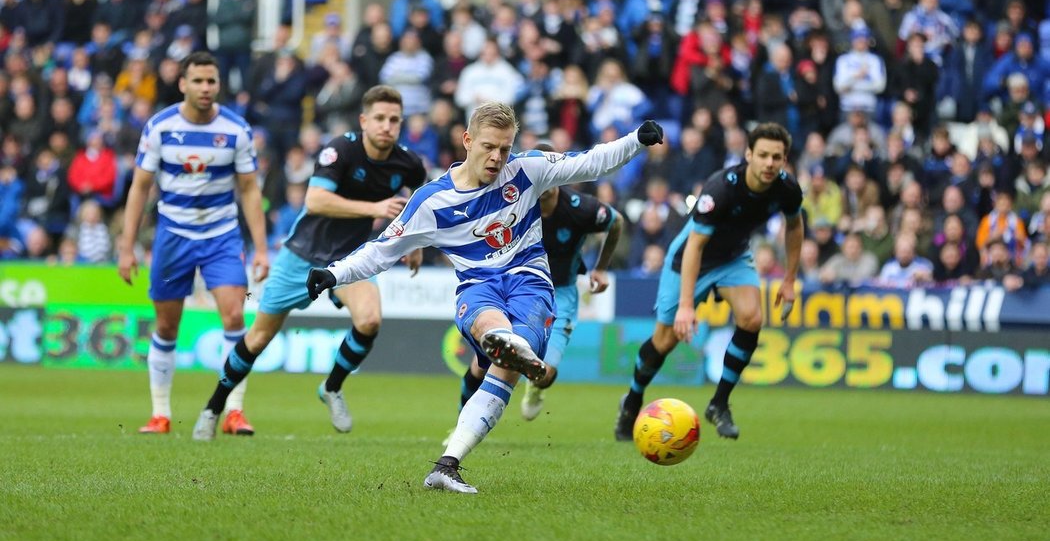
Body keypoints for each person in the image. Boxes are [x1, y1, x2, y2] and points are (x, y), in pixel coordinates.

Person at [305, 103, 663, 493]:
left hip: (530, 282)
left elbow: (591, 162)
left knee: (507, 360)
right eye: (489, 147)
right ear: (467, 140)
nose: (497, 158)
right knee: (496, 332)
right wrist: (334, 273)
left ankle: (447, 464)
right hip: (477, 287)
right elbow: (380, 251)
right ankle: (504, 346)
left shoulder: (527, 170)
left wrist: (635, 141)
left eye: (505, 149)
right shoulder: (432, 202)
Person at [192, 85, 427, 439]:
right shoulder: (340, 150)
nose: (387, 126)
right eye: (379, 118)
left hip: (350, 260)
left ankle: (331, 387)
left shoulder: (408, 164)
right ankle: (213, 407)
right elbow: (316, 201)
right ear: (364, 120)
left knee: (370, 320)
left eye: (394, 120)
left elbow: (419, 202)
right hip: (301, 254)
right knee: (257, 340)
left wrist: (416, 243)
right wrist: (375, 209)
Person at [613, 123, 803, 442]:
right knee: (665, 341)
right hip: (690, 258)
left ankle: (719, 403)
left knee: (752, 318)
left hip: (733, 257)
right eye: (763, 156)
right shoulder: (721, 188)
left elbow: (795, 226)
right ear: (748, 156)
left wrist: (789, 279)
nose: (770, 163)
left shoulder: (787, 188)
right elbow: (695, 247)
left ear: (784, 160)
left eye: (777, 157)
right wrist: (687, 306)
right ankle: (632, 399)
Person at [118, 51, 270, 436]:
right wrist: (126, 245)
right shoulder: (160, 127)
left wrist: (262, 247)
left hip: (221, 234)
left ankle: (234, 411)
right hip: (174, 235)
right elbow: (139, 188)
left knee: (235, 316)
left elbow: (250, 190)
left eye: (211, 81)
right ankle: (160, 414)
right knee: (167, 326)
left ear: (219, 85)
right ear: (183, 83)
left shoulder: (236, 129)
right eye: (198, 81)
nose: (205, 88)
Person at [456, 143, 624, 421]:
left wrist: (601, 268)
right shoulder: (510, 201)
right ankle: (461, 419)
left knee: (544, 374)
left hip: (561, 293)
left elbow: (615, 222)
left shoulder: (579, 208)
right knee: (481, 366)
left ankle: (535, 388)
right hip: (516, 288)